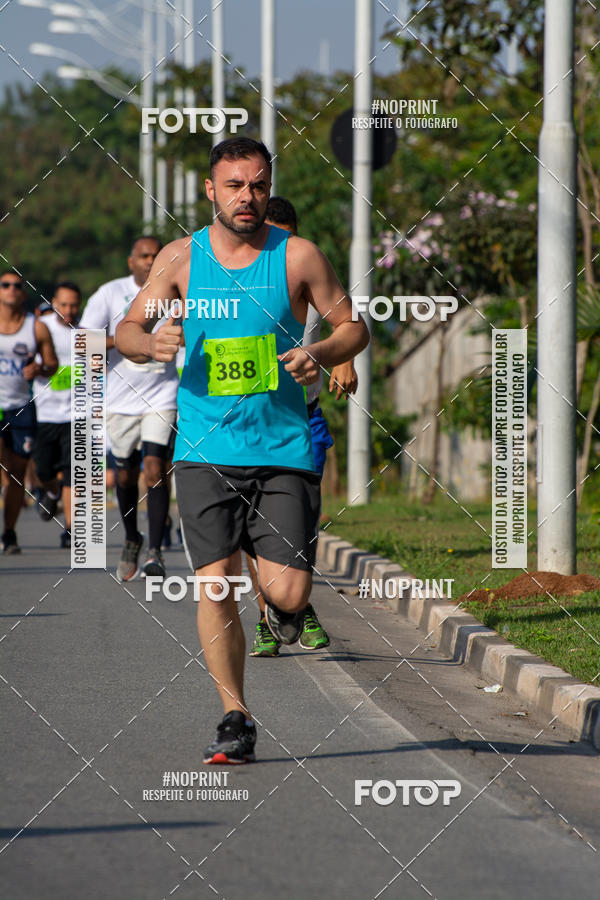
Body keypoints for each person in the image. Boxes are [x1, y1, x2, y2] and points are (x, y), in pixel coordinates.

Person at [116, 137, 369, 764]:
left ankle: (282, 599)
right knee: (214, 584)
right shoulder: (179, 259)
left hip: (282, 447)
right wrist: (151, 346)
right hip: (204, 447)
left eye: (257, 185)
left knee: (286, 594)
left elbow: (353, 326)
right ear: (211, 191)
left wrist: (318, 353)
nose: (247, 197)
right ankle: (236, 715)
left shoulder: (298, 257)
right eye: (234, 185)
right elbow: (125, 329)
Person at [248, 196, 358, 657]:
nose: (280, 243)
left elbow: (345, 323)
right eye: (271, 235)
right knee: (252, 528)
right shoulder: (239, 285)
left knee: (301, 521)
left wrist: (346, 359)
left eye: (286, 234)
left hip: (302, 420)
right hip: (247, 423)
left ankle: (296, 602)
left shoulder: (309, 277)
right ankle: (268, 615)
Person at [80, 237, 179, 581]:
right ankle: (132, 537)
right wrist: (127, 339)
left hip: (163, 394)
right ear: (130, 261)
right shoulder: (110, 294)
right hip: (120, 400)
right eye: (144, 256)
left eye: (156, 255)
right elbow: (84, 340)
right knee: (124, 474)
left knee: (155, 468)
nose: (151, 260)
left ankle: (155, 550)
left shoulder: (176, 289)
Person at [0, 271, 58, 553]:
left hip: (21, 408)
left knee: (16, 475)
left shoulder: (36, 327)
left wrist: (39, 369)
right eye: (5, 285)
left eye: (17, 286)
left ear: (23, 293)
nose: (11, 289)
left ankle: (9, 533)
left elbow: (52, 364)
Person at [32, 281, 82, 548]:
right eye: (64, 305)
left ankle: (71, 530)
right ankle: (50, 492)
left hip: (75, 414)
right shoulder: (41, 328)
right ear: (54, 303)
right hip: (45, 412)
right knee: (42, 469)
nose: (69, 310)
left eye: (74, 305)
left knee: (72, 471)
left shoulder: (86, 332)